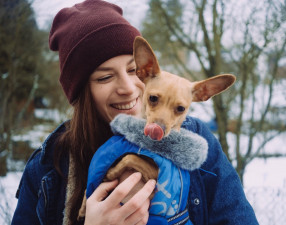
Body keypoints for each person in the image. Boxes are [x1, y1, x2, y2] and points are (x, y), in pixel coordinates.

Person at [11, 0, 259, 225]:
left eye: (133, 70)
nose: (129, 90)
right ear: (81, 93)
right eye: (106, 77)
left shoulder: (197, 140)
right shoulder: (46, 167)